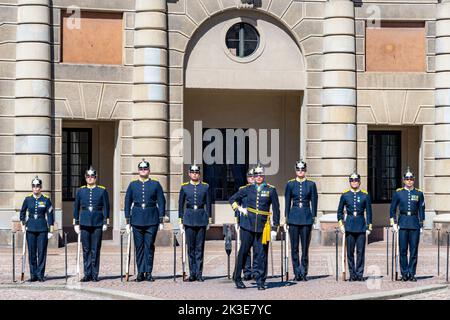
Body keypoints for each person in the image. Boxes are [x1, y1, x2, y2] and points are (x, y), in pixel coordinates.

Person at [229, 164, 280, 290]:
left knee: (261, 254)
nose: (258, 177)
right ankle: (237, 277)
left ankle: (261, 280)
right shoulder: (247, 189)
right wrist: (239, 209)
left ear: (264, 176)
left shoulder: (271, 190)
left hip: (263, 227)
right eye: (256, 175)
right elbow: (232, 199)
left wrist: (275, 228)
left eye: (260, 175)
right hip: (248, 225)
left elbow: (276, 209)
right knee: (243, 252)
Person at [124, 159, 166, 282]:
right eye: (141, 169)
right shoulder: (132, 185)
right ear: (138, 171)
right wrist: (127, 221)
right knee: (139, 247)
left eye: (145, 169)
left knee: (149, 246)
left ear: (149, 170)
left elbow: (161, 202)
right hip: (136, 220)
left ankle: (148, 272)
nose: (143, 171)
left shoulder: (155, 184)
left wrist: (161, 220)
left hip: (151, 219)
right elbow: (127, 202)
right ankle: (140, 272)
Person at [73, 166, 110, 282]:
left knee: (95, 249)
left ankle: (95, 274)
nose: (90, 178)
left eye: (92, 176)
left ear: (96, 178)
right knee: (86, 249)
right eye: (88, 176)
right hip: (84, 223)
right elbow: (76, 207)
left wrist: (105, 221)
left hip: (97, 223)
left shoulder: (102, 190)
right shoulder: (80, 191)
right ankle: (87, 274)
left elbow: (106, 207)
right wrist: (76, 223)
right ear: (85, 178)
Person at [389, 168, 425, 282]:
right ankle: (404, 273)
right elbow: (392, 209)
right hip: (403, 223)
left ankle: (412, 273)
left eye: (411, 179)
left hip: (414, 224)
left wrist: (421, 224)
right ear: (404, 181)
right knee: (403, 251)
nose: (409, 181)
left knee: (413, 251)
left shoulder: (419, 193)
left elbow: (421, 209)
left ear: (413, 180)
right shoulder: (399, 193)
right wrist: (394, 223)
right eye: (407, 179)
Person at [284, 160, 318, 281]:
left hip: (306, 218)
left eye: (302, 169)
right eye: (298, 169)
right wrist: (286, 218)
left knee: (304, 248)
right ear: (295, 170)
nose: (300, 171)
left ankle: (303, 272)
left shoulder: (311, 185)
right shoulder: (290, 184)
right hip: (293, 218)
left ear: (305, 170)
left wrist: (314, 217)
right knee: (294, 248)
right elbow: (287, 202)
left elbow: (314, 201)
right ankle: (296, 272)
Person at [178, 164, 212, 281]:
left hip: (201, 218)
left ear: (199, 174)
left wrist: (209, 219)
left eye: (196, 172)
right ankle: (192, 273)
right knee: (190, 248)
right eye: (192, 172)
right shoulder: (184, 187)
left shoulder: (205, 187)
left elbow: (208, 203)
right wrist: (180, 220)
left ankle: (199, 274)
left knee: (199, 248)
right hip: (189, 218)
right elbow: (180, 204)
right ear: (189, 173)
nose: (194, 174)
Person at [337, 172, 372, 282]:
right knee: (350, 252)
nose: (354, 182)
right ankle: (352, 274)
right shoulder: (345, 195)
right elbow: (339, 212)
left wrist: (369, 226)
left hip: (361, 226)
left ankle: (359, 273)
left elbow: (369, 212)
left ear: (359, 181)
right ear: (349, 182)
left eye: (356, 180)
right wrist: (341, 224)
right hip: (350, 226)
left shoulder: (365, 195)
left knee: (360, 252)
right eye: (352, 180)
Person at [20, 176, 54, 282]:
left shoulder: (46, 199)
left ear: (41, 187)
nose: (36, 188)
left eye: (38, 186)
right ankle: (33, 275)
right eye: (34, 186)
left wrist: (50, 230)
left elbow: (50, 214)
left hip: (42, 229)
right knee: (32, 253)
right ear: (32, 188)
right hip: (30, 229)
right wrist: (23, 224)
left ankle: (40, 275)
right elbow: (22, 212)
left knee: (42, 253)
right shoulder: (27, 199)